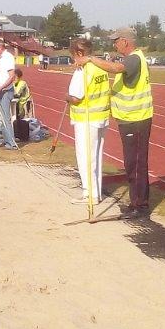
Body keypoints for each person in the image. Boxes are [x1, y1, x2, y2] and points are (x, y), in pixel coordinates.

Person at [78, 27, 153, 220]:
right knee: (131, 163)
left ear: (125, 41)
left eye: (116, 41)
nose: (114, 45)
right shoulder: (132, 58)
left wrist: (90, 59)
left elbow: (116, 68)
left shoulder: (134, 59)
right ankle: (136, 202)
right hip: (129, 119)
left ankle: (140, 206)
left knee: (136, 164)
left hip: (136, 119)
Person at [67, 39, 110, 205]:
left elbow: (76, 97)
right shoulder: (100, 67)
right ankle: (96, 192)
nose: (73, 60)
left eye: (73, 56)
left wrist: (67, 97)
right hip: (100, 117)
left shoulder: (83, 70)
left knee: (85, 158)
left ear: (79, 53)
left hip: (86, 118)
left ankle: (89, 194)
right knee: (96, 156)